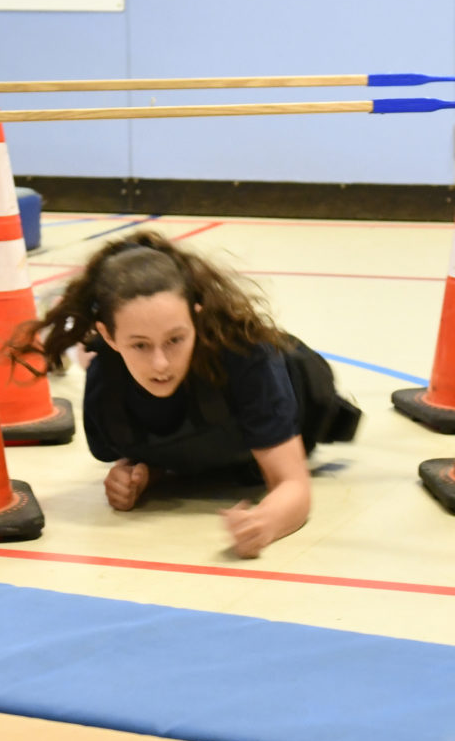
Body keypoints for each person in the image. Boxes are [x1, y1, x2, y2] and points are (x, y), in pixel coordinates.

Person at [26, 232, 359, 557]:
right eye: (140, 344)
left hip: (301, 392)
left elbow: (293, 485)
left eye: (175, 339)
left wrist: (265, 522)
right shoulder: (107, 385)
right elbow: (169, 447)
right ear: (109, 336)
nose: (160, 363)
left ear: (196, 320)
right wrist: (140, 474)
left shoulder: (247, 358)